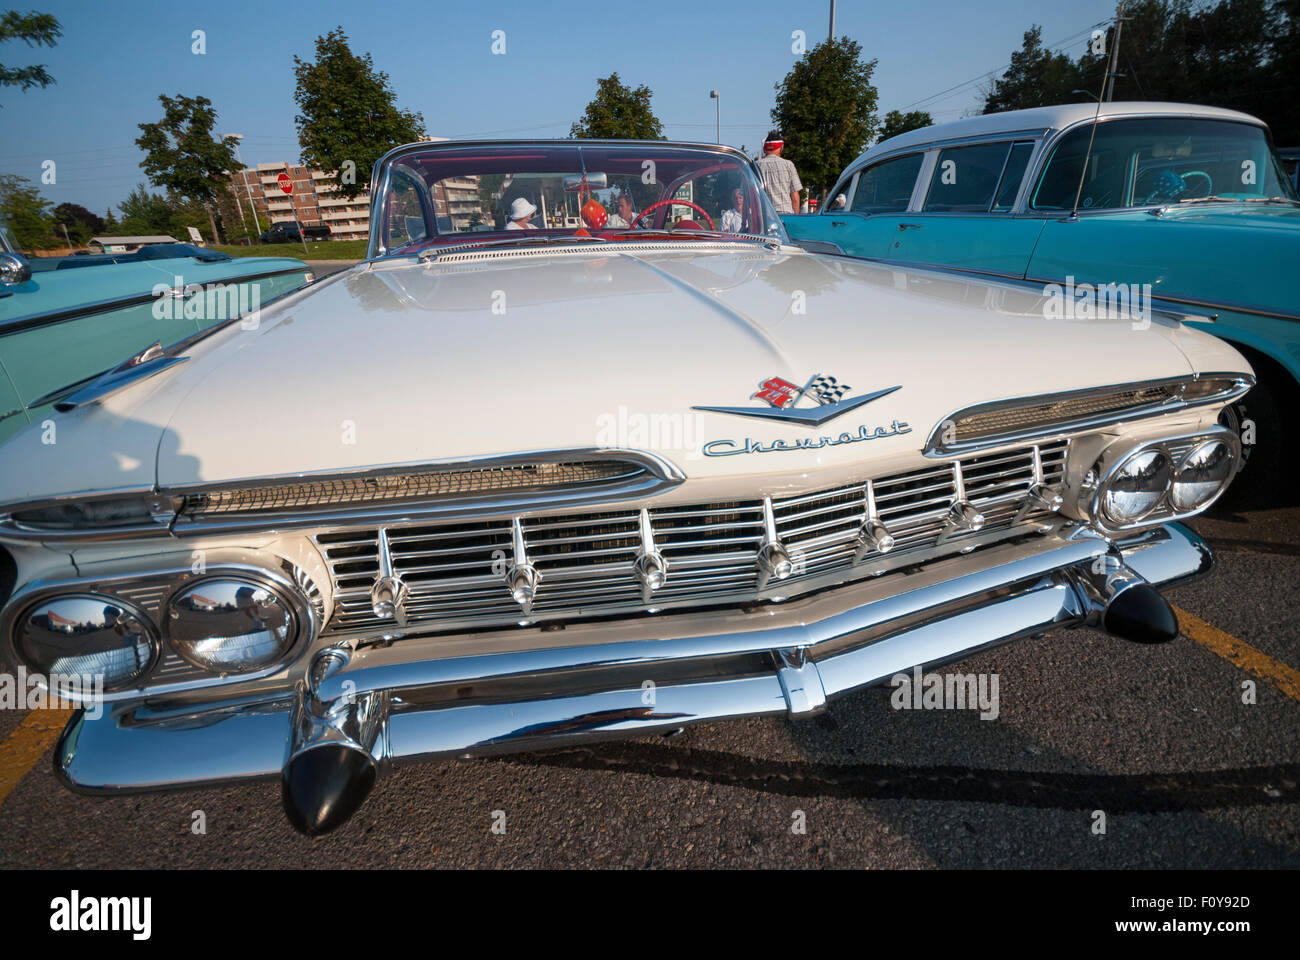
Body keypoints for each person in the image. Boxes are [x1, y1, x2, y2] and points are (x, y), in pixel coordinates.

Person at [755, 136, 802, 215]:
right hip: (785, 214)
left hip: (763, 215)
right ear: (781, 148)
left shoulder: (755, 166)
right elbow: (795, 198)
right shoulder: (788, 165)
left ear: (764, 149)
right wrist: (795, 217)